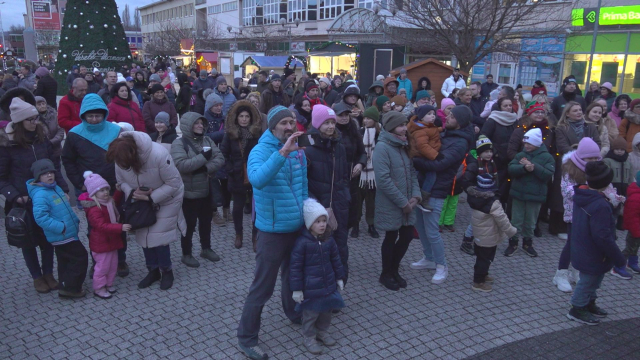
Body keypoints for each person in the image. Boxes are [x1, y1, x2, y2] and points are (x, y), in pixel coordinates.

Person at [237, 106, 306, 359]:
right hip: (272, 230)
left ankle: (294, 313)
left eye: (293, 122)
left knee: (292, 276)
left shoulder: (298, 151)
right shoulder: (260, 150)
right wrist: (283, 152)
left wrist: (308, 214)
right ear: (273, 126)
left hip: (296, 226)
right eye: (284, 123)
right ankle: (247, 337)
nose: (290, 127)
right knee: (262, 287)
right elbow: (256, 179)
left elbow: (303, 186)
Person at [0, 99, 69, 294]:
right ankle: (37, 276)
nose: (34, 122)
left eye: (36, 118)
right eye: (30, 119)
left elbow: (54, 165)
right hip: (23, 200)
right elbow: (1, 177)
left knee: (48, 238)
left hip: (46, 197)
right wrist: (14, 195)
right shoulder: (7, 145)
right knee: (28, 241)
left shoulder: (42, 138)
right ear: (19, 122)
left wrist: (63, 188)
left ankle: (48, 272)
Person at [106, 132, 186, 290]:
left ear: (133, 156)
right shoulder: (120, 157)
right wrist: (132, 192)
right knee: (144, 235)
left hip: (167, 198)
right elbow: (121, 182)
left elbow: (174, 183)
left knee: (158, 237)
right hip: (140, 200)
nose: (121, 166)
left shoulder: (159, 154)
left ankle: (167, 271)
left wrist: (151, 197)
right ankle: (153, 270)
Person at [411, 105, 473, 284]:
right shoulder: (446, 134)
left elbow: (439, 164)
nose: (447, 118)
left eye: (452, 117)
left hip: (437, 189)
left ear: (460, 123)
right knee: (421, 227)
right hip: (424, 186)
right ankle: (429, 258)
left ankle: (441, 265)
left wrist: (415, 161)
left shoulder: (460, 142)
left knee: (432, 231)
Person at [566, 161, 625, 325]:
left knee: (595, 279)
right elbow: (603, 236)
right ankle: (577, 308)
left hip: (583, 247)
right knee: (588, 281)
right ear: (605, 182)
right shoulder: (599, 205)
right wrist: (618, 257)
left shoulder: (584, 196)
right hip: (594, 252)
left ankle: (589, 303)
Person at [373, 111, 421, 292]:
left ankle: (394, 269)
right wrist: (403, 203)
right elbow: (383, 180)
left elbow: (412, 174)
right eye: (401, 125)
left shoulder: (403, 145)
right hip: (392, 203)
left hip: (408, 201)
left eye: (405, 125)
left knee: (407, 236)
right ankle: (386, 273)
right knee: (391, 236)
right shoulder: (382, 148)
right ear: (392, 127)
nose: (404, 128)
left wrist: (416, 196)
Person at [290, 198, 345, 355]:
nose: (322, 225)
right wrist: (297, 289)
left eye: (323, 221)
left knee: (326, 313)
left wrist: (339, 278)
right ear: (309, 224)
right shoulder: (302, 243)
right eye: (317, 221)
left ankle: (322, 332)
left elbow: (336, 260)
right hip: (311, 290)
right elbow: (295, 268)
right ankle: (309, 337)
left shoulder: (329, 240)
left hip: (328, 287)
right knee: (310, 315)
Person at [305, 104, 351, 285]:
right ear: (317, 125)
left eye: (333, 122)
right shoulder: (308, 149)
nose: (331, 126)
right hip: (318, 210)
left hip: (339, 206)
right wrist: (316, 207)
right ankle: (321, 290)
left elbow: (344, 176)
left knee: (340, 249)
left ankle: (339, 286)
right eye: (326, 123)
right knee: (320, 252)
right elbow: (304, 183)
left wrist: (345, 196)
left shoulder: (339, 146)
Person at [171, 112, 225, 268]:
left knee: (206, 222)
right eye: (197, 123)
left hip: (206, 190)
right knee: (188, 225)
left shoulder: (207, 139)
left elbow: (220, 158)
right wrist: (203, 157)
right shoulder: (179, 144)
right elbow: (181, 165)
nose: (200, 126)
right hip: (189, 193)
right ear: (188, 125)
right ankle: (186, 253)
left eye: (202, 123)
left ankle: (206, 248)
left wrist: (204, 168)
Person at [28, 159, 86, 298]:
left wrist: (74, 221)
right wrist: (61, 227)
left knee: (64, 260)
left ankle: (64, 285)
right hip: (62, 235)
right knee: (80, 257)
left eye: (51, 172)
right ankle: (71, 288)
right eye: (45, 174)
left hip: (67, 233)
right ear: (38, 177)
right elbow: (41, 218)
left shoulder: (55, 187)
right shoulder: (40, 194)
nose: (49, 176)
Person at [464, 140, 517, 292]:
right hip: (482, 205)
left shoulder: (492, 164)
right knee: (484, 254)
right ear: (479, 152)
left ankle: (483, 274)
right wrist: (480, 195)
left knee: (487, 251)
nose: (489, 153)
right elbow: (467, 184)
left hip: (488, 204)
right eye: (486, 151)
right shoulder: (474, 166)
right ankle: (478, 280)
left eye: (490, 151)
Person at [78, 172, 128, 299]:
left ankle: (108, 284)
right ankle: (99, 288)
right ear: (93, 194)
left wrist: (118, 192)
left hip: (111, 241)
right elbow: (101, 226)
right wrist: (120, 227)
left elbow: (114, 201)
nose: (105, 192)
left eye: (106, 189)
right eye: (101, 190)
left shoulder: (107, 202)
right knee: (102, 268)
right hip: (101, 243)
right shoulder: (94, 208)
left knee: (112, 265)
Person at [220, 101, 262, 249]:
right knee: (237, 208)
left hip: (254, 174)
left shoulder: (257, 134)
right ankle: (239, 234)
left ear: (251, 118)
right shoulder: (230, 135)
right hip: (236, 175)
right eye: (241, 116)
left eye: (247, 116)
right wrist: (231, 169)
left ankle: (255, 236)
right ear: (237, 118)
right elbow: (223, 154)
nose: (244, 119)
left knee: (256, 208)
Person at [506, 128, 555, 257]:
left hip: (535, 196)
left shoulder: (547, 157)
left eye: (529, 144)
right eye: (525, 143)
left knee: (531, 221)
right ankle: (513, 243)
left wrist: (533, 167)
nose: (526, 146)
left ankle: (528, 243)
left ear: (537, 143)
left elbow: (548, 174)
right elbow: (511, 168)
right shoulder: (520, 155)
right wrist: (524, 168)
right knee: (516, 220)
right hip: (519, 194)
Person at [332, 103, 366, 243]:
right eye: (341, 115)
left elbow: (362, 152)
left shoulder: (354, 130)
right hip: (336, 179)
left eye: (346, 115)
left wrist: (360, 164)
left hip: (352, 178)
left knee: (351, 211)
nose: (345, 118)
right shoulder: (331, 131)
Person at [481, 97, 518, 205]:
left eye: (510, 105)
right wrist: (495, 152)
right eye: (505, 106)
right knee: (497, 185)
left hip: (511, 158)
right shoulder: (492, 120)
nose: (508, 108)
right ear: (499, 107)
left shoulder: (515, 120)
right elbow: (484, 137)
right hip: (496, 159)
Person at [408, 104, 441, 211]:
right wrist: (436, 155)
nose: (433, 116)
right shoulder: (420, 130)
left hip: (424, 157)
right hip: (422, 157)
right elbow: (422, 146)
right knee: (431, 175)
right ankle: (423, 198)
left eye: (434, 114)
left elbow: (432, 132)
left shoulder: (427, 126)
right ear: (421, 117)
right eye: (429, 114)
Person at [357, 106, 381, 238]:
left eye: (369, 118)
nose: (366, 120)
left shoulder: (379, 135)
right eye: (365, 118)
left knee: (371, 202)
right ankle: (356, 224)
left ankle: (371, 225)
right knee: (358, 200)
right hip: (359, 172)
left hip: (374, 173)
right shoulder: (359, 132)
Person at [622, 171, 640, 275]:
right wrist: (636, 231)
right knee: (629, 248)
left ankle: (632, 263)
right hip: (635, 229)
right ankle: (618, 265)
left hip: (638, 228)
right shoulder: (636, 198)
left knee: (635, 247)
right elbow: (631, 217)